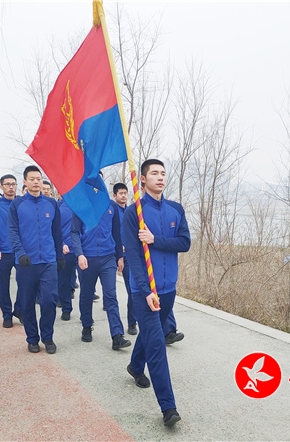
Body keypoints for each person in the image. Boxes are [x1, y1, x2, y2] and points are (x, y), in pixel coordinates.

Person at [122, 159, 191, 427]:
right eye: (154, 173)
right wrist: (146, 290)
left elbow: (184, 242)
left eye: (163, 173)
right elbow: (133, 256)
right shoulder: (134, 213)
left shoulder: (176, 209)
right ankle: (168, 407)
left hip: (168, 288)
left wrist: (155, 240)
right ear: (143, 179)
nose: (160, 177)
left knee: (151, 335)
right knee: (157, 344)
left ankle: (135, 366)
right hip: (145, 292)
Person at [9, 165, 63, 354]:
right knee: (27, 302)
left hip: (48, 261)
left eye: (38, 178)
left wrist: (59, 255)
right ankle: (32, 338)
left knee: (49, 300)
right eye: (32, 179)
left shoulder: (51, 204)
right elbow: (12, 231)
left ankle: (47, 337)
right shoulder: (17, 205)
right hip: (26, 262)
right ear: (25, 182)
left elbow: (57, 232)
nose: (36, 182)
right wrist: (20, 253)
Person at [72, 191, 131, 351]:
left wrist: (120, 257)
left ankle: (117, 336)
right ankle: (86, 326)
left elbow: (116, 233)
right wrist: (79, 254)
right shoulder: (80, 206)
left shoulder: (111, 206)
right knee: (86, 294)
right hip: (87, 258)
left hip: (108, 258)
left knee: (111, 295)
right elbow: (74, 232)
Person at [0, 174, 22, 328]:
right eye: (7, 184)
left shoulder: (22, 203)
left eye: (13, 184)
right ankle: (7, 314)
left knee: (25, 284)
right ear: (1, 187)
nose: (11, 187)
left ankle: (19, 310)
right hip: (2, 251)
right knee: (3, 285)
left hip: (20, 251)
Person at [112, 182, 137, 335]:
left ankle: (133, 322)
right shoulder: (112, 212)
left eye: (125, 193)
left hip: (133, 255)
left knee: (134, 289)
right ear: (114, 195)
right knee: (129, 289)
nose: (123, 196)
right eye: (120, 193)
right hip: (119, 255)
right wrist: (118, 252)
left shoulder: (131, 212)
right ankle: (131, 323)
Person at [56, 197, 78, 321]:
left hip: (83, 250)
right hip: (66, 250)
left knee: (86, 283)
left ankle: (86, 314)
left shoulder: (83, 205)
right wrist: (61, 243)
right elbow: (54, 228)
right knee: (64, 281)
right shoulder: (58, 207)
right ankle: (66, 308)